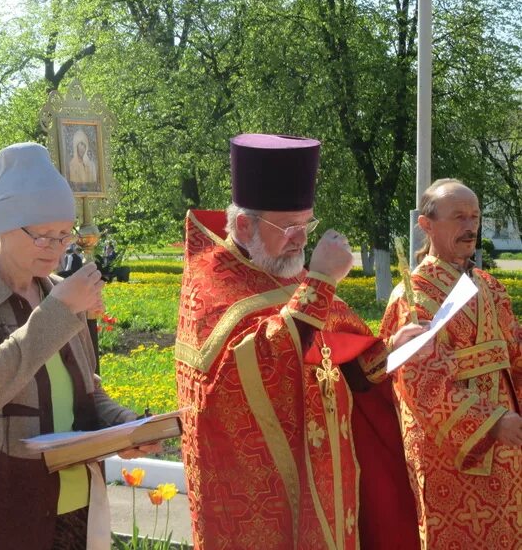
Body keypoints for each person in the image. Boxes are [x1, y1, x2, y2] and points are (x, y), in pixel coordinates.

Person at [175, 134, 429, 549]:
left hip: (331, 482)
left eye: (305, 224)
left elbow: (342, 355)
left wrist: (390, 352)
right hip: (265, 494)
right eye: (288, 227)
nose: (301, 239)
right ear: (243, 224)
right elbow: (238, 377)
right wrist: (321, 282)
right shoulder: (212, 285)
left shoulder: (289, 271)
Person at [0, 142, 159, 549]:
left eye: (64, 236)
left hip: (73, 505)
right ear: (2, 226)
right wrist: (58, 310)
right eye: (42, 236)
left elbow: (86, 389)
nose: (55, 248)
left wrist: (126, 425)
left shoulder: (55, 293)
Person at [380, 179, 522, 548]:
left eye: (474, 216)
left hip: (509, 444)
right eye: (458, 216)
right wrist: (490, 422)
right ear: (426, 225)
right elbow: (420, 384)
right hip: (449, 451)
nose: (470, 226)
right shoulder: (412, 297)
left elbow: (515, 353)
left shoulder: (490, 286)